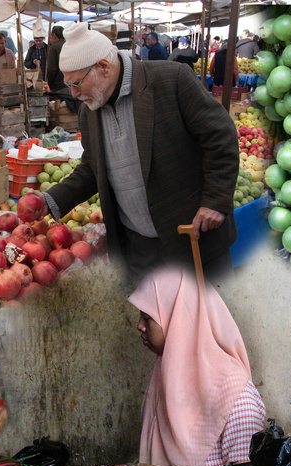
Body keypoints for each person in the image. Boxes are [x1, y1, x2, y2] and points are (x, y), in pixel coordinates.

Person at [40, 25, 239, 283]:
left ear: (104, 67)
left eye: (76, 84)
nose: (74, 94)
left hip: (193, 239)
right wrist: (49, 201)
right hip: (140, 250)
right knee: (154, 322)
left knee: (210, 319)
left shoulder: (172, 80)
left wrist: (215, 200)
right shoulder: (88, 111)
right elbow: (92, 168)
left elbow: (221, 136)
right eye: (69, 85)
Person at [107, 265, 268, 466]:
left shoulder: (235, 392)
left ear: (180, 319)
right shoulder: (166, 372)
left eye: (148, 317)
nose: (139, 326)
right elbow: (171, 455)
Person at [45, 26, 67, 96]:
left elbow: (51, 69)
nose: (50, 39)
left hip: (59, 87)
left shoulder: (54, 48)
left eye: (50, 37)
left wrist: (50, 85)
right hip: (70, 85)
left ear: (54, 36)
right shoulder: (69, 45)